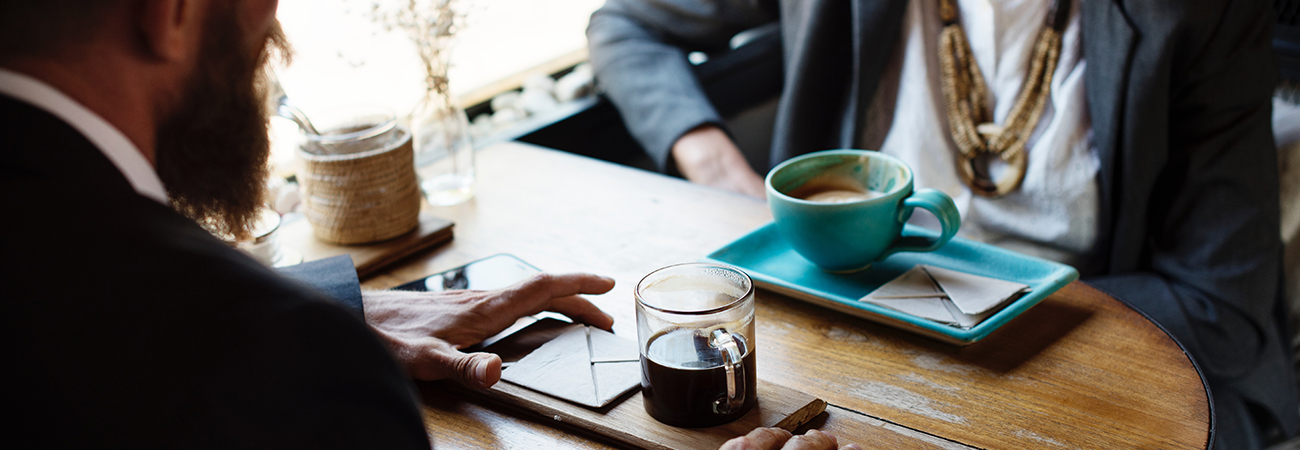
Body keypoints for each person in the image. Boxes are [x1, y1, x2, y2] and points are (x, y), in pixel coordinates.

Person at [0, 1, 853, 448]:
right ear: (168, 8)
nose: (279, 30)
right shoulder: (282, 377)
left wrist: (344, 306)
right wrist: (301, 334)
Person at [587, 0, 1299, 448]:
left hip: (1097, 363)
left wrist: (962, 318)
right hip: (856, 346)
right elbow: (625, 24)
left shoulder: (1204, 13)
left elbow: (1221, 309)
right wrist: (724, 177)